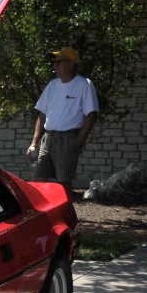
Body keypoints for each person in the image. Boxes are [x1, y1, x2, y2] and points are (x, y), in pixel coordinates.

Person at [26, 47, 99, 197]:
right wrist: (34, 142)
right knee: (39, 178)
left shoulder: (84, 84)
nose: (55, 65)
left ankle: (65, 210)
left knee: (63, 182)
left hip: (68, 138)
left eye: (59, 62)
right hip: (48, 138)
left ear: (71, 64)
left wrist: (78, 141)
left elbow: (91, 114)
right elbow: (42, 114)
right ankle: (44, 209)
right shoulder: (52, 85)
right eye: (55, 62)